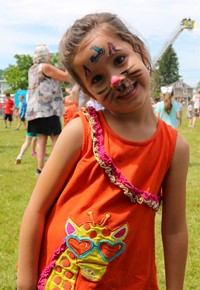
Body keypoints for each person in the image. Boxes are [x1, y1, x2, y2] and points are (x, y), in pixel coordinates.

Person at [17, 12, 189, 290]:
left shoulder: (175, 148)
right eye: (97, 79)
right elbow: (36, 210)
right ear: (87, 92)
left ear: (139, 49)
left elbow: (175, 229)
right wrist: (24, 284)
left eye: (119, 59)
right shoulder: (80, 131)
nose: (115, 79)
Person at [25, 44, 70, 175]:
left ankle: (40, 169)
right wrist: (68, 64)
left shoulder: (32, 69)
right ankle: (59, 167)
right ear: (46, 56)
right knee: (56, 137)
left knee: (41, 138)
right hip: (48, 109)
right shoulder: (46, 67)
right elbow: (66, 77)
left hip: (36, 110)